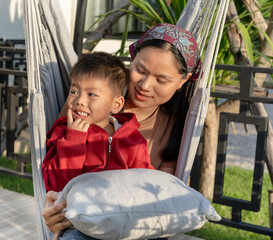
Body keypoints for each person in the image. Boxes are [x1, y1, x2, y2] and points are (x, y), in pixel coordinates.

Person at [42, 23, 202, 239]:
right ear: (132, 59)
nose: (144, 85)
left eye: (161, 80)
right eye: (140, 70)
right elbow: (55, 175)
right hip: (77, 220)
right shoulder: (86, 102)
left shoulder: (170, 128)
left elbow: (160, 199)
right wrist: (54, 210)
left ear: (182, 81)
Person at [42, 51, 153, 193]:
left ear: (116, 104)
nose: (79, 101)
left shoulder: (133, 140)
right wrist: (73, 142)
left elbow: (144, 182)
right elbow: (55, 185)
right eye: (74, 92)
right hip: (77, 210)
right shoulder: (62, 133)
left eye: (91, 94)